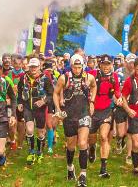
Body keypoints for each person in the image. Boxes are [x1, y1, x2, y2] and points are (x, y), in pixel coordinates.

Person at [54, 55, 97, 187]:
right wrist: (57, 108)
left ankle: (83, 175)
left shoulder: (89, 77)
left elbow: (94, 87)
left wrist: (92, 101)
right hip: (69, 114)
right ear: (71, 66)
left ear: (83, 66)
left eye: (79, 67)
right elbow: (56, 93)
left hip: (84, 113)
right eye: (75, 67)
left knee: (83, 142)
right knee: (71, 145)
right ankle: (70, 167)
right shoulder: (64, 78)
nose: (77, 70)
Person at [89, 55, 121, 178]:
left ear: (112, 65)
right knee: (91, 138)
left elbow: (117, 91)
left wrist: (119, 99)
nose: (106, 67)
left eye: (108, 64)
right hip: (92, 111)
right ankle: (92, 148)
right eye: (104, 64)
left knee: (103, 137)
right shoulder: (92, 74)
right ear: (100, 64)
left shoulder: (114, 77)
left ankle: (103, 168)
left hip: (107, 110)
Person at [16, 57, 53, 163]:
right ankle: (31, 152)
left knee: (41, 132)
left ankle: (40, 152)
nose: (33, 69)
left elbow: (51, 94)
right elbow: (19, 91)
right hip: (28, 107)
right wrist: (19, 102)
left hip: (40, 109)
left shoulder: (45, 79)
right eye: (31, 66)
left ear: (39, 67)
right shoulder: (23, 77)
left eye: (35, 67)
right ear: (29, 67)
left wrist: (44, 101)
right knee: (30, 130)